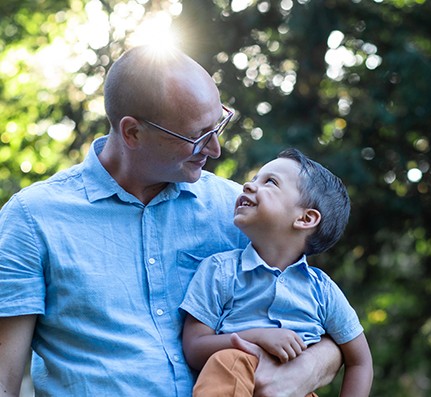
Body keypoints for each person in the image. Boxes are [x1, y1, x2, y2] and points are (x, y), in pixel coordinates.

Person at [0, 45, 342, 397]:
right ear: (132, 133)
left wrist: (303, 373)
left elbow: (327, 330)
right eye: (197, 137)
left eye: (219, 124)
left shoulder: (239, 211)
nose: (215, 150)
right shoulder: (32, 219)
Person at [181, 148, 374, 397]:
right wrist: (257, 337)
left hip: (297, 390)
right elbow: (194, 347)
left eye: (269, 182)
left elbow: (360, 361)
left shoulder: (322, 290)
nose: (248, 186)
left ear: (305, 219)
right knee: (227, 361)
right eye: (253, 179)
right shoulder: (220, 270)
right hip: (234, 380)